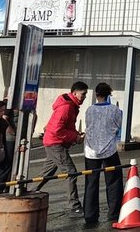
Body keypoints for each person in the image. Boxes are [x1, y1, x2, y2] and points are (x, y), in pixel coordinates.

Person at [37, 81, 88, 216]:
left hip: (54, 142)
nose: (84, 97)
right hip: (55, 143)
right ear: (74, 93)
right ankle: (74, 206)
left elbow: (59, 127)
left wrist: (75, 135)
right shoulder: (67, 107)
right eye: (83, 94)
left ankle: (29, 192)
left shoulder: (70, 106)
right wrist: (75, 137)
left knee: (46, 173)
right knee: (71, 172)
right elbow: (56, 130)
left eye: (86, 95)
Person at [82, 82, 124, 226]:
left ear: (96, 94)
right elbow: (119, 125)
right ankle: (114, 212)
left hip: (91, 150)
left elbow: (88, 125)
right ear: (109, 94)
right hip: (109, 149)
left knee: (91, 183)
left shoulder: (89, 110)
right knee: (113, 181)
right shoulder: (114, 110)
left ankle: (90, 215)